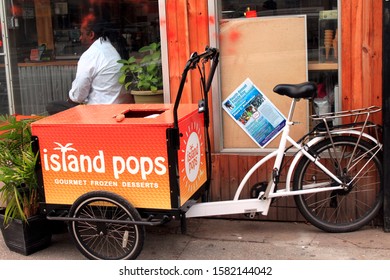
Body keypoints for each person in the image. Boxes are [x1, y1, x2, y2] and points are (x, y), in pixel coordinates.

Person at [46, 13, 132, 115]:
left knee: (52, 107)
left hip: (101, 112)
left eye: (82, 34)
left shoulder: (92, 54)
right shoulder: (110, 49)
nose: (80, 38)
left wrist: (69, 101)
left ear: (91, 35)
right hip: (118, 108)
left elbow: (78, 96)